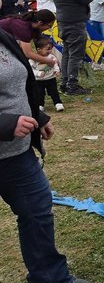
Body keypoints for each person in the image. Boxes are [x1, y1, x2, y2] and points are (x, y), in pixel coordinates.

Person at [0, 28, 89, 283]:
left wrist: (37, 117)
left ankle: (49, 278)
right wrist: (5, 125)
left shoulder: (3, 35)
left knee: (37, 211)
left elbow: (20, 84)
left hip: (16, 153)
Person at [50, 0, 104, 95]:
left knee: (68, 52)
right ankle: (72, 85)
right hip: (73, 21)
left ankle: (64, 83)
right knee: (75, 54)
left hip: (64, 19)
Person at [29, 36, 64, 112]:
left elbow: (55, 64)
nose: (50, 51)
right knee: (39, 93)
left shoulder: (51, 57)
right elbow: (31, 69)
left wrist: (57, 70)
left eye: (51, 48)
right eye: (47, 49)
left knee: (54, 91)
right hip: (39, 80)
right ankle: (40, 105)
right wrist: (38, 73)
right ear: (39, 49)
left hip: (51, 79)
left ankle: (58, 103)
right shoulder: (33, 58)